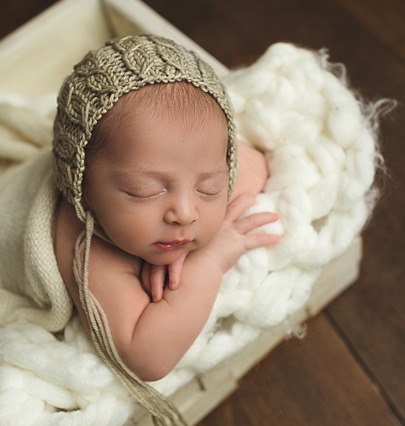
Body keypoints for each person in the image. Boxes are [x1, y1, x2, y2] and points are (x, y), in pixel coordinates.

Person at [52, 35, 278, 423]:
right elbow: (147, 356)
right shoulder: (85, 245)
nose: (186, 213)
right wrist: (206, 261)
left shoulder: (195, 161)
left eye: (209, 187)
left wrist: (186, 241)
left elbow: (255, 164)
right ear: (83, 191)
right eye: (145, 191)